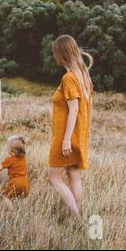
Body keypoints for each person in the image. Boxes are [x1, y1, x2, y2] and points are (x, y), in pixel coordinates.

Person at [47, 35, 94, 221]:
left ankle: (76, 218)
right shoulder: (83, 74)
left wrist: (66, 139)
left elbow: (74, 110)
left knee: (54, 178)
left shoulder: (69, 78)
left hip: (66, 135)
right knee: (73, 173)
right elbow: (88, 106)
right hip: (79, 134)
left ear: (61, 53)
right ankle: (76, 215)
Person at [0, 135, 30, 210]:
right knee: (23, 197)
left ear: (11, 150)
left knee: (6, 197)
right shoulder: (23, 158)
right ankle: (24, 211)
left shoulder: (10, 159)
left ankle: (12, 211)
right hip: (25, 181)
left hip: (15, 182)